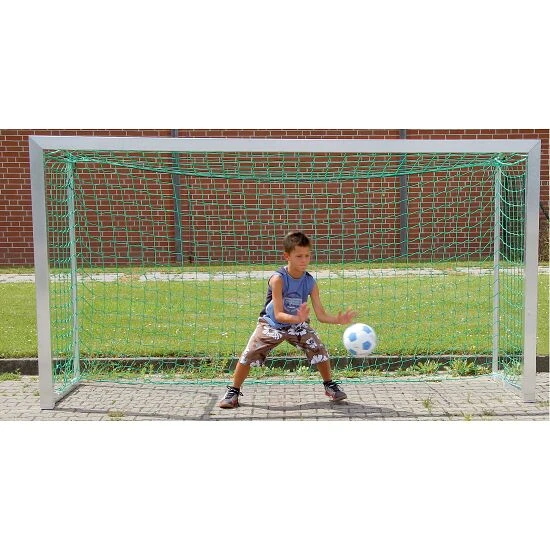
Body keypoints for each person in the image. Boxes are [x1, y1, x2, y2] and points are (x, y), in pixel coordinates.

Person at [219, 231, 356, 409]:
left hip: (297, 325)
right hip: (272, 325)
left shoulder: (310, 282)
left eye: (307, 256)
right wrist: (296, 317)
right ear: (287, 256)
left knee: (318, 348)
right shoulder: (278, 279)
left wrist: (337, 319)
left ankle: (329, 385)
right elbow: (278, 314)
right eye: (299, 256)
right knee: (250, 353)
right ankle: (233, 392)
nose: (304, 260)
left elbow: (321, 315)